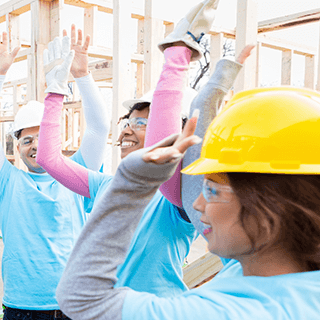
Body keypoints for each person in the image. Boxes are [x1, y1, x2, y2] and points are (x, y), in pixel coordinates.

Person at [56, 86, 320, 319]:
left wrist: (134, 183)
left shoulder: (223, 311)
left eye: (213, 190)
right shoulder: (256, 272)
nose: (198, 203)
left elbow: (82, 298)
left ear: (271, 206)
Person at [38, 0, 225, 298]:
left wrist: (177, 57)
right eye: (128, 121)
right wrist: (55, 91)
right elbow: (48, 158)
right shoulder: (108, 186)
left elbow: (160, 152)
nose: (126, 128)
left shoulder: (177, 195)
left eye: (142, 123)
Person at [0, 24, 110, 319]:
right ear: (17, 146)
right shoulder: (5, 182)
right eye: (27, 140)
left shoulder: (77, 174)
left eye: (42, 137)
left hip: (73, 303)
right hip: (23, 308)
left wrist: (82, 74)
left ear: (57, 138)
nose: (35, 146)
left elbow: (100, 128)